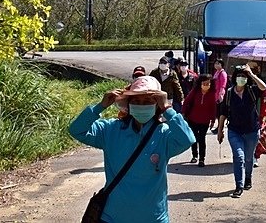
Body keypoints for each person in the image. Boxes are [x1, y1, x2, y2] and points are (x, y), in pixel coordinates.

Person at [69, 75, 195, 223]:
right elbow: (77, 130)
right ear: (128, 105)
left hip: (153, 217)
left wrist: (167, 108)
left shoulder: (164, 134)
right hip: (112, 217)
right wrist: (99, 107)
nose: (141, 105)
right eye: (136, 101)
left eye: (148, 101)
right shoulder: (110, 130)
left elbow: (188, 139)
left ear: (156, 106)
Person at [217, 63, 266, 198]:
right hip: (235, 131)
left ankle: (248, 179)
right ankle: (238, 186)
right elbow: (223, 113)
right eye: (239, 76)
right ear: (234, 78)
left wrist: (251, 74)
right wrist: (220, 130)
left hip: (251, 131)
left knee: (248, 158)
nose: (241, 78)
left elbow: (264, 87)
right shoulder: (229, 93)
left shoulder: (252, 90)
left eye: (243, 76)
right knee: (238, 157)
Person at [180, 73, 216, 166]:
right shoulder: (195, 91)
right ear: (200, 83)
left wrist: (212, 120)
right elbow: (187, 101)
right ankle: (194, 155)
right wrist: (183, 113)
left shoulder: (212, 94)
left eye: (208, 84)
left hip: (205, 121)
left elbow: (213, 108)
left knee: (202, 139)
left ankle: (201, 159)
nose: (206, 85)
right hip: (193, 119)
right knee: (194, 138)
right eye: (204, 83)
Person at [247, 61, 266, 168]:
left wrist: (264, 115)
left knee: (258, 137)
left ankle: (254, 157)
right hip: (247, 114)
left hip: (259, 115)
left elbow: (265, 94)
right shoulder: (245, 82)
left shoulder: (260, 83)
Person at [209, 58, 227, 132]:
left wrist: (221, 95)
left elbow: (223, 85)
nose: (216, 65)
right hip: (215, 95)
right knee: (217, 112)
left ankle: (219, 128)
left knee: (220, 113)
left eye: (218, 63)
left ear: (222, 65)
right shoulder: (216, 72)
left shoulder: (223, 73)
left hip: (220, 96)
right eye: (215, 63)